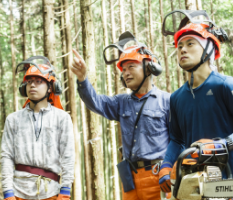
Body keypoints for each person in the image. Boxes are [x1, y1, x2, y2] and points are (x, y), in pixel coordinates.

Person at [158, 10, 233, 195]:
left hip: (227, 187)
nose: (182, 49)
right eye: (179, 46)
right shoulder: (176, 97)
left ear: (209, 48)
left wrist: (225, 144)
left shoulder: (226, 85)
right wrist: (167, 164)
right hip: (191, 184)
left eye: (190, 44)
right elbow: (177, 139)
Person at [71, 32, 171, 200]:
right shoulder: (121, 102)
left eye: (131, 67)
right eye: (123, 70)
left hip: (159, 176)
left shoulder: (166, 101)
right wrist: (82, 79)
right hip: (130, 179)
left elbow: (178, 140)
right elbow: (96, 102)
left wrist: (171, 169)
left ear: (149, 67)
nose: (126, 73)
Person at [1, 56, 75, 200]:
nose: (32, 85)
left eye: (38, 81)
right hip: (18, 192)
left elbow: (68, 156)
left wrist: (65, 190)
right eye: (29, 82)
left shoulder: (62, 118)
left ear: (50, 87)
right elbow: (6, 157)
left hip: (51, 192)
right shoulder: (13, 119)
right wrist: (7, 191)